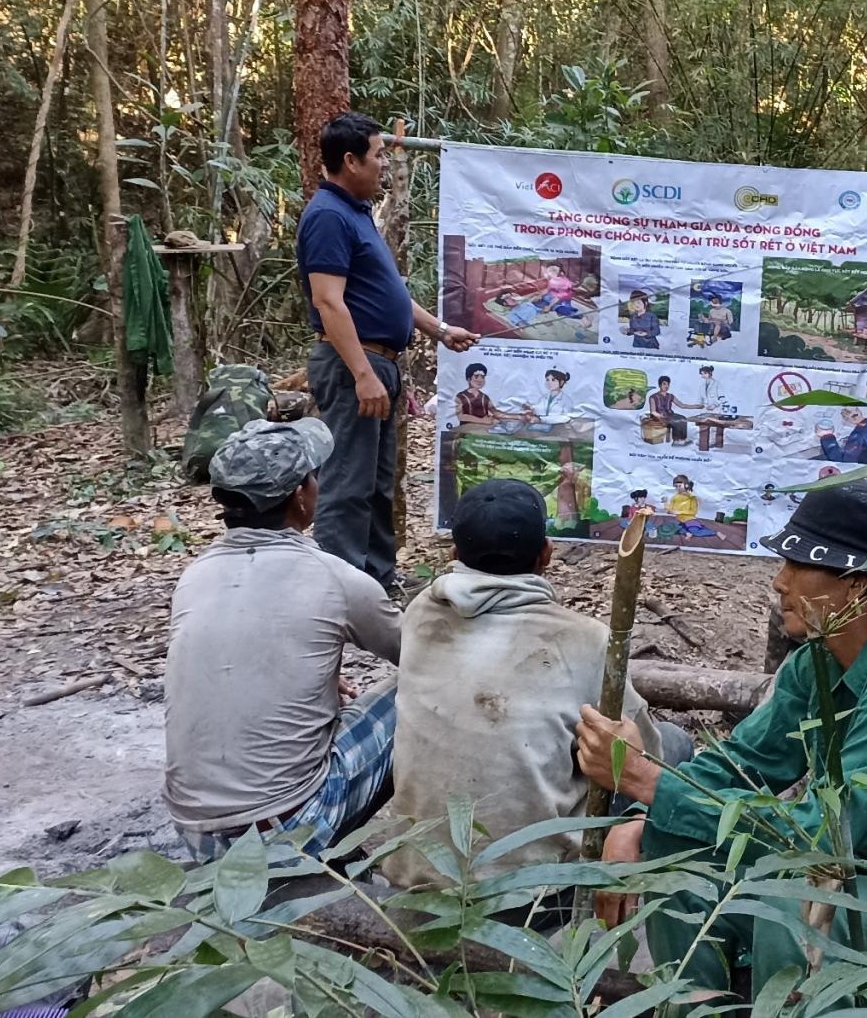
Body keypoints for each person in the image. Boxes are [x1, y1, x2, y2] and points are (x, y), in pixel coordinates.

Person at [575, 483, 867, 1006]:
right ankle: (693, 1006)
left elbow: (821, 843)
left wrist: (648, 780)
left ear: (858, 586)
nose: (780, 582)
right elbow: (740, 766)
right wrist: (644, 817)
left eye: (799, 564)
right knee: (671, 839)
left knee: (797, 897)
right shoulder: (819, 660)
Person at [384, 480, 690, 889]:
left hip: (413, 877)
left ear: (455, 554)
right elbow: (645, 754)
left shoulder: (421, 610)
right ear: (546, 553)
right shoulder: (585, 638)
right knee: (673, 744)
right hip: (530, 898)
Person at [164, 418, 403, 862]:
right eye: (314, 476)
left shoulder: (195, 575)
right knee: (416, 693)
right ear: (299, 496)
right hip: (283, 828)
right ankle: (328, 850)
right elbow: (419, 655)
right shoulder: (334, 579)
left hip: (195, 829)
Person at [300, 112, 477, 589]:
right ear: (350, 160)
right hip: (354, 365)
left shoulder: (356, 214)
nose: (383, 163)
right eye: (378, 155)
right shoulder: (326, 217)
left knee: (378, 485)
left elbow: (389, 292)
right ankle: (339, 593)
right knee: (347, 484)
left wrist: (439, 329)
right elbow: (327, 300)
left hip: (381, 362)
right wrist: (361, 373)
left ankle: (378, 582)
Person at [455, 363, 533, 427]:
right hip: (466, 429)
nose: (480, 380)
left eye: (482, 377)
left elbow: (497, 413)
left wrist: (518, 416)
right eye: (476, 376)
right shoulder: (460, 397)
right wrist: (482, 420)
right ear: (468, 379)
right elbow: (461, 417)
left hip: (482, 429)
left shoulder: (485, 397)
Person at [648, 374, 688, 442]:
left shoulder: (670, 396)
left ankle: (680, 440)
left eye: (668, 384)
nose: (666, 386)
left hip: (669, 415)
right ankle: (677, 440)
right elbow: (653, 411)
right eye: (664, 384)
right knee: (675, 421)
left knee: (682, 418)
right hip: (658, 417)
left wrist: (696, 406)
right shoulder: (653, 397)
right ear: (660, 385)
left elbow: (682, 405)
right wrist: (660, 415)